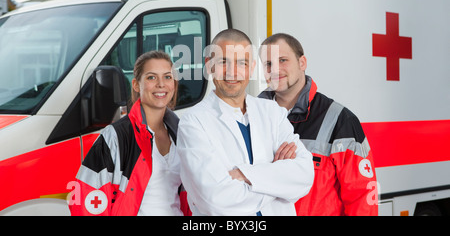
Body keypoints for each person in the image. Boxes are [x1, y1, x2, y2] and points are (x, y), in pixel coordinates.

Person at [177, 29, 314, 216]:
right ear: (209, 66)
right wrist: (279, 184)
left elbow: (304, 175)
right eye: (223, 62)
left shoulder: (273, 112)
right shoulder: (193, 122)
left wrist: (244, 175)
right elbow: (216, 201)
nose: (233, 72)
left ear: (251, 68)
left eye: (242, 63)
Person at [258, 33, 378, 216]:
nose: (275, 69)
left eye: (283, 60)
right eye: (268, 64)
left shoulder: (340, 120)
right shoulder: (249, 117)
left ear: (302, 63)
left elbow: (362, 197)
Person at [69, 51, 189, 216]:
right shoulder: (116, 136)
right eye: (151, 77)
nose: (161, 84)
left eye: (167, 77)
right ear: (136, 85)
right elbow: (86, 196)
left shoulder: (182, 134)